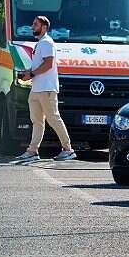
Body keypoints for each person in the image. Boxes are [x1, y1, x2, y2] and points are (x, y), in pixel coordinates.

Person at [13, 15, 75, 163]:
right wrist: (27, 73)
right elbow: (39, 65)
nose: (32, 26)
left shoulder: (47, 43)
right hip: (36, 89)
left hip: (46, 89)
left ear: (44, 27)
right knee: (37, 121)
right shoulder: (40, 43)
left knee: (53, 118)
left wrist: (32, 73)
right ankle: (32, 150)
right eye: (33, 24)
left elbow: (48, 64)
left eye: (35, 24)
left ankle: (68, 149)